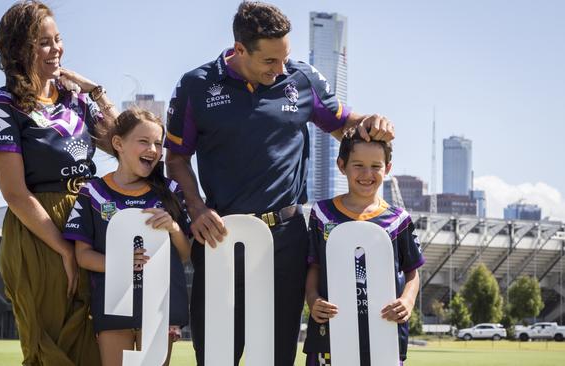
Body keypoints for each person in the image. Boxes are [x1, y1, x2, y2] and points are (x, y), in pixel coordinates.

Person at [164, 2, 394, 365]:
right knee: (215, 354)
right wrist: (195, 208)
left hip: (286, 239)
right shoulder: (195, 85)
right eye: (270, 61)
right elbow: (175, 157)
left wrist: (374, 121)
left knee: (277, 355)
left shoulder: (301, 79)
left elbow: (344, 124)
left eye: (285, 57)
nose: (282, 69)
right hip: (220, 235)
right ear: (240, 50)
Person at [0, 1, 119, 364]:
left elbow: (132, 146)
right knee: (52, 349)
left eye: (57, 39)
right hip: (41, 235)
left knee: (98, 342)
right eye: (44, 42)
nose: (56, 48)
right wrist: (63, 248)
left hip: (90, 225)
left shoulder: (76, 101)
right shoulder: (3, 105)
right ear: (18, 49)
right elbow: (14, 193)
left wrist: (96, 91)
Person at [62, 108, 191, 366]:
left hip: (158, 306)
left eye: (158, 143)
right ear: (118, 143)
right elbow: (83, 256)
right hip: (114, 304)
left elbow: (185, 254)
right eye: (144, 141)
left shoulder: (171, 191)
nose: (153, 150)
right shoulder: (93, 192)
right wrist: (122, 263)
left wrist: (174, 229)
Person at [304, 129, 425, 365]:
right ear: (342, 165)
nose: (367, 174)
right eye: (358, 165)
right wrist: (313, 299)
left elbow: (413, 271)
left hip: (384, 333)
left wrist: (407, 301)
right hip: (331, 331)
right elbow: (314, 266)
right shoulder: (322, 214)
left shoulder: (397, 220)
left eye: (376, 166)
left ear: (387, 169)